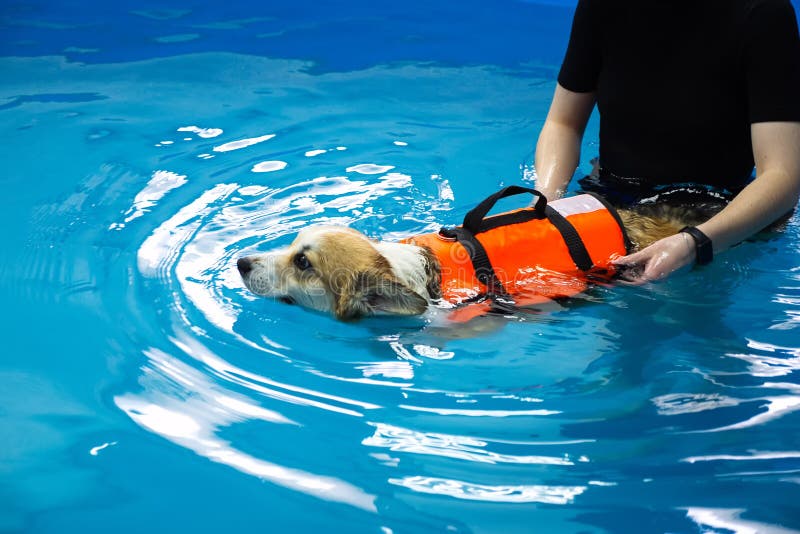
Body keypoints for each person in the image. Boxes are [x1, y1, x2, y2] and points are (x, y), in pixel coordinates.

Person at [534, 0, 800, 283]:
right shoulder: (602, 6)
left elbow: (783, 176)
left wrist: (695, 243)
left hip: (714, 215)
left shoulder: (762, 12)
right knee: (511, 293)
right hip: (610, 199)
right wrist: (546, 203)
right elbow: (563, 124)